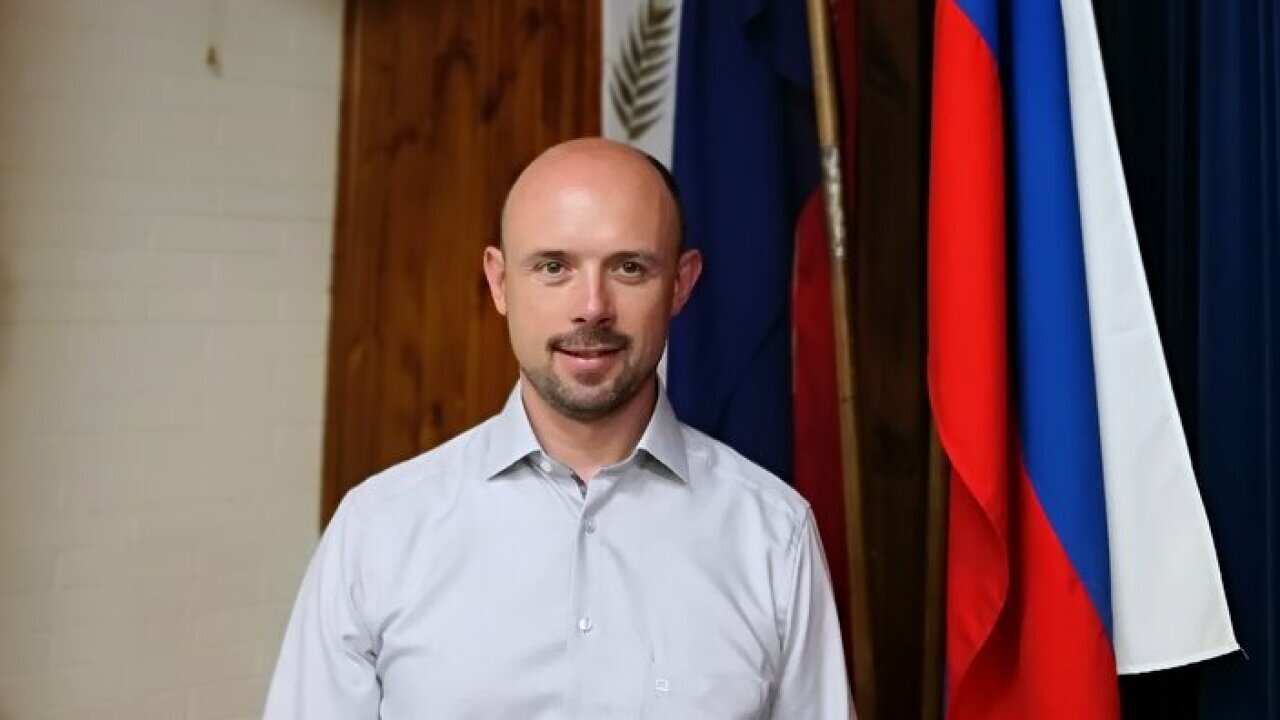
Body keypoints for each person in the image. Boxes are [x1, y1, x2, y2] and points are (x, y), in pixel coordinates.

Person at [263, 138, 853, 719]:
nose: (592, 307)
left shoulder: (775, 536)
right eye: (553, 267)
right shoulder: (378, 529)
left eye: (629, 267)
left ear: (681, 283)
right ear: (499, 282)